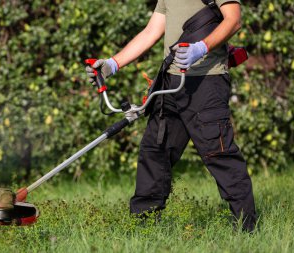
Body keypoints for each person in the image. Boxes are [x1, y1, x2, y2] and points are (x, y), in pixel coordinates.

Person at [86, 0, 257, 232]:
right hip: (170, 83)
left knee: (219, 154)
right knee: (155, 151)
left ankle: (246, 228)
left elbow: (233, 19)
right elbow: (151, 32)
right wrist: (112, 64)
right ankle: (142, 227)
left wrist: (202, 48)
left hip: (207, 82)